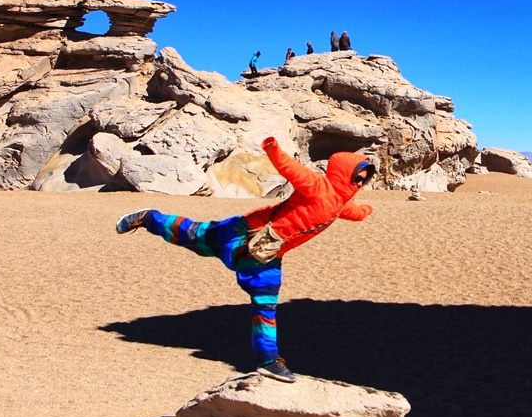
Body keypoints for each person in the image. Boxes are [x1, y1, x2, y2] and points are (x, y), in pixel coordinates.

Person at [115, 137, 376, 382]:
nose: (360, 183)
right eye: (358, 177)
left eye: (364, 180)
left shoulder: (342, 204)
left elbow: (356, 212)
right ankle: (149, 218)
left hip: (267, 255)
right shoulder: (317, 186)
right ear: (345, 172)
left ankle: (268, 359)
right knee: (192, 235)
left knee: (265, 304)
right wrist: (273, 149)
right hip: (244, 232)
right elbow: (291, 169)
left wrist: (366, 211)